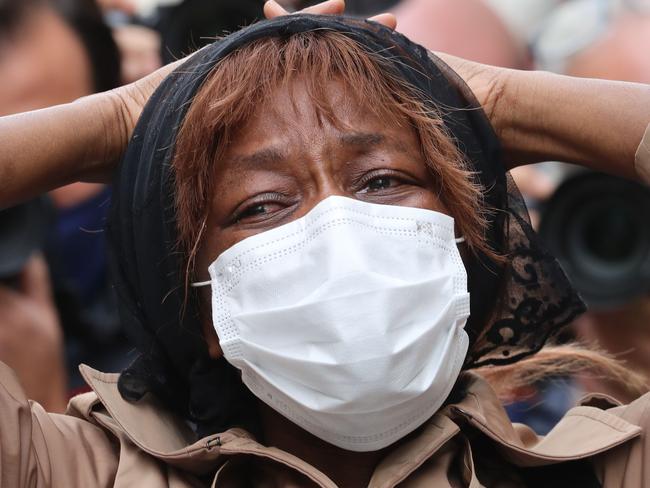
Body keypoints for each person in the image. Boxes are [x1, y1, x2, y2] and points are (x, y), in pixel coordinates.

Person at [0, 1, 649, 486]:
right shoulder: (68, 472)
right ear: (200, 307)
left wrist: (497, 101)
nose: (339, 231)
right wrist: (119, 119)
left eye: (383, 180)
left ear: (464, 239)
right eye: (261, 204)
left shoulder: (606, 472)